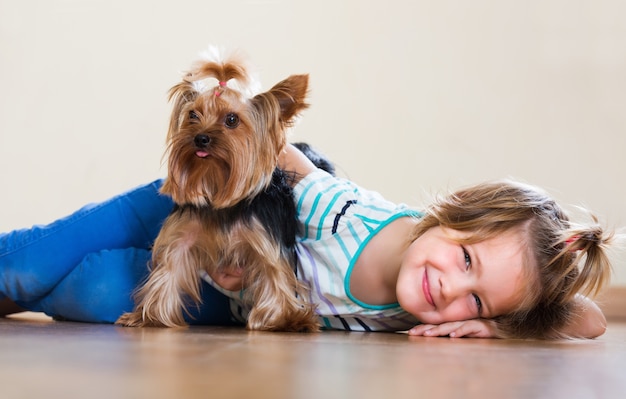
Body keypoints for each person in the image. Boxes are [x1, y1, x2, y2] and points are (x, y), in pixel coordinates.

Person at [0, 144, 615, 339]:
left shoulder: (413, 311)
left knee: (94, 285)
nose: (451, 288)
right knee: (30, 265)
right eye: (465, 259)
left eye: (476, 299)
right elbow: (282, 154)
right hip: (218, 197)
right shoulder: (349, 212)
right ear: (450, 216)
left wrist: (498, 325)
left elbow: (587, 320)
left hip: (230, 293)